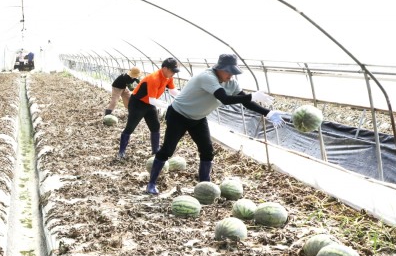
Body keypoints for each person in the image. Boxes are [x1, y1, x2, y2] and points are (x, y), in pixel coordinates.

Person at [145, 53, 284, 195]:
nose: (231, 75)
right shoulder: (207, 77)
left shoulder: (232, 83)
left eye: (233, 72)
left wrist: (268, 113)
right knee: (167, 150)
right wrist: (252, 95)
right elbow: (224, 98)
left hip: (198, 118)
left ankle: (204, 185)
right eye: (228, 71)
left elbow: (245, 101)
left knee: (207, 151)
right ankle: (151, 184)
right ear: (219, 68)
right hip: (178, 115)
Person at [117, 59, 181, 158]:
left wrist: (183, 99)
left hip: (149, 104)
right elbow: (152, 100)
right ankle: (121, 152)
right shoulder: (154, 78)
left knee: (155, 126)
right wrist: (170, 106)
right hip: (137, 103)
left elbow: (173, 91)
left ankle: (156, 151)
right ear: (164, 68)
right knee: (130, 127)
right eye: (172, 71)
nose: (174, 74)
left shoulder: (169, 77)